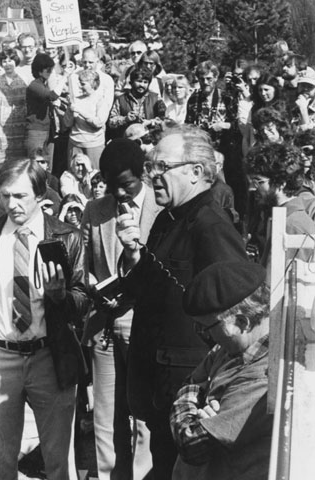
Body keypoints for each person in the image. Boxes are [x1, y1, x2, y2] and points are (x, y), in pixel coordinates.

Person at [115, 125, 248, 479]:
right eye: (151, 168)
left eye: (162, 167)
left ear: (197, 171)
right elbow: (149, 287)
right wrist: (132, 255)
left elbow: (240, 312)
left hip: (188, 388)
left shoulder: (211, 224)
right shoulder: (167, 218)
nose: (153, 176)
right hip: (159, 387)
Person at [0, 158, 89, 480]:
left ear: (41, 194)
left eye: (20, 196)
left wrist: (60, 296)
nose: (11, 205)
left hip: (49, 356)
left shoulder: (65, 237)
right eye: (5, 196)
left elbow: (84, 300)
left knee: (57, 461)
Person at [81, 139, 159, 480]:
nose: (120, 194)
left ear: (141, 174)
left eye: (125, 185)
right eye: (112, 186)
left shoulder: (162, 206)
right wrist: (96, 289)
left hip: (144, 322)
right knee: (106, 414)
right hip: (104, 323)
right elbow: (82, 266)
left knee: (144, 413)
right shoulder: (95, 209)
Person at [170, 261, 272, 480]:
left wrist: (189, 409)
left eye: (206, 328)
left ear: (242, 322)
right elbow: (189, 383)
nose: (201, 335)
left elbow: (191, 443)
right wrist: (194, 410)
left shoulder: (265, 377)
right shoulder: (229, 348)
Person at [246, 142, 315, 282]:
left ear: (281, 182)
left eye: (258, 181)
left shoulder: (294, 225)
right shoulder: (281, 218)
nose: (252, 188)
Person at [0, 48, 27, 185]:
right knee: (0, 166)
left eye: (10, 60)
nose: (7, 64)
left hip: (18, 130)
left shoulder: (23, 81)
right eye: (4, 61)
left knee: (17, 166)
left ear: (15, 61)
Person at [26, 53, 67, 170]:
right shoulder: (34, 86)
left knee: (48, 167)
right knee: (34, 168)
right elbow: (53, 96)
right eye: (48, 70)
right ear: (39, 71)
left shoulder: (43, 85)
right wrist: (65, 77)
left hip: (47, 131)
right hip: (36, 131)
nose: (50, 72)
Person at [63, 69, 110, 169]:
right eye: (79, 83)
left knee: (94, 176)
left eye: (83, 84)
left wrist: (79, 111)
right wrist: (70, 110)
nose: (80, 86)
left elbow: (98, 123)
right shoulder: (76, 100)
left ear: (93, 84)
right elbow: (67, 124)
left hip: (94, 146)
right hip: (74, 144)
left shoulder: (101, 100)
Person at [108, 66, 166, 138]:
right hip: (128, 140)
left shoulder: (156, 98)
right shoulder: (121, 99)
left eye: (145, 82)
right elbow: (111, 123)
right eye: (139, 81)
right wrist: (125, 119)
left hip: (150, 141)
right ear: (131, 82)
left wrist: (150, 122)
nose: (142, 85)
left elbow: (164, 121)